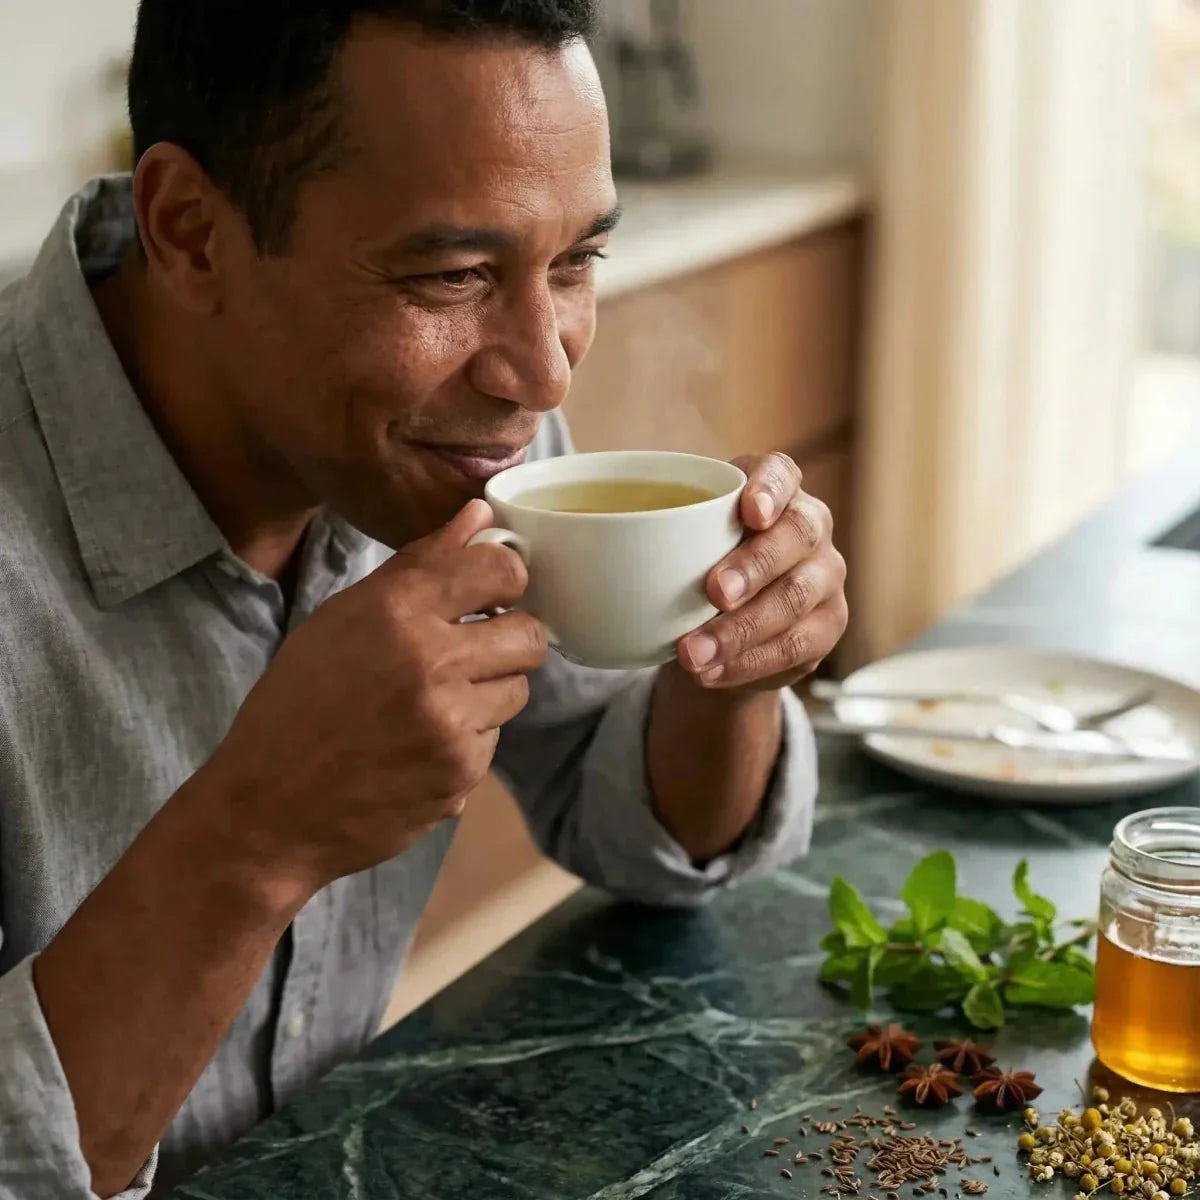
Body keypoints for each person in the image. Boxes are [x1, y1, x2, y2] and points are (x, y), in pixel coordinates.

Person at [0, 2, 848, 1196]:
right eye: (451, 274)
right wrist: (255, 839)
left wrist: (729, 676)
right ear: (191, 232)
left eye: (575, 261)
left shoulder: (449, 432)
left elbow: (641, 821)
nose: (542, 370)